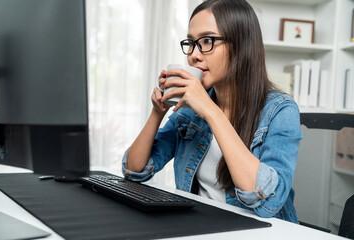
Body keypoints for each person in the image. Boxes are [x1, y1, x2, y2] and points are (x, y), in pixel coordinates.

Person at [122, 0, 302, 223]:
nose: (193, 55)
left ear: (240, 45)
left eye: (206, 41)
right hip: (203, 226)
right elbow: (134, 170)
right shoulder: (189, 111)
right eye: (191, 42)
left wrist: (211, 111)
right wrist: (157, 113)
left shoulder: (280, 111)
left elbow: (268, 202)